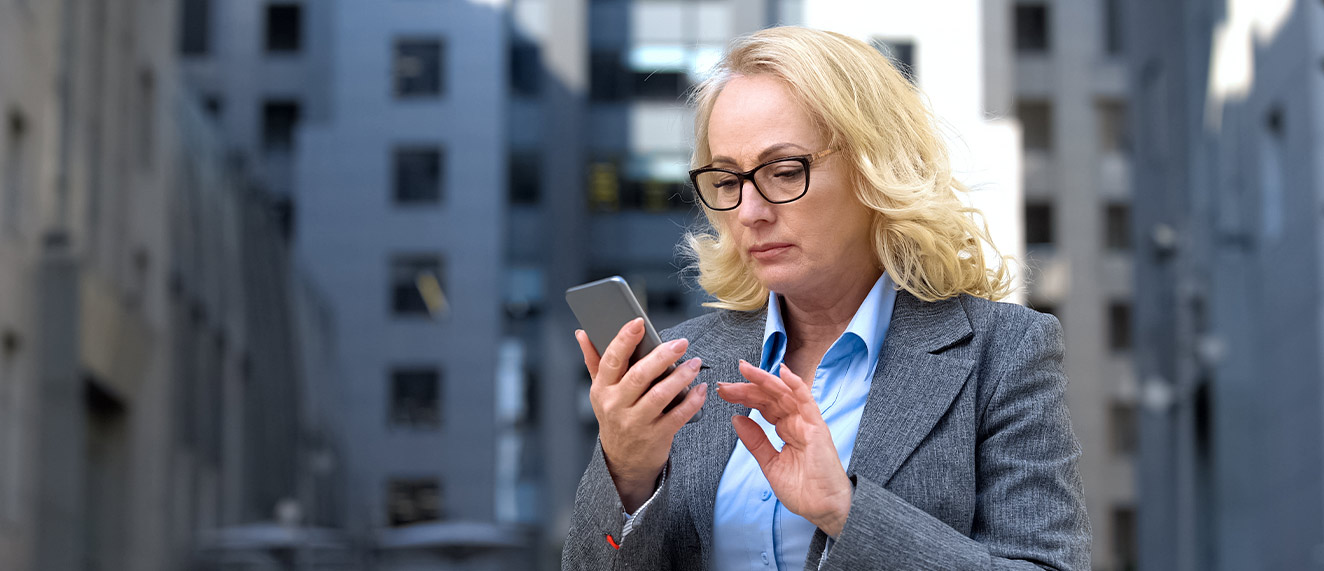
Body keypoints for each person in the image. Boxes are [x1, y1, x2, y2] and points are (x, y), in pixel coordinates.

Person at [562, 26, 1090, 570]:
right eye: (725, 181)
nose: (749, 212)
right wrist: (626, 473)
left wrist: (847, 511)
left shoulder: (1002, 351)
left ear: (874, 169)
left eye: (784, 171)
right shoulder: (676, 365)